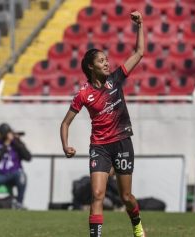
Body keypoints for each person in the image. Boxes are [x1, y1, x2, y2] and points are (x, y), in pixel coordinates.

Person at [60, 11, 145, 237]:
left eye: (107, 59)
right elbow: (66, 123)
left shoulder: (116, 79)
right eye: (101, 60)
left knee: (126, 197)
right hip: (100, 147)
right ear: (90, 67)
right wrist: (65, 145)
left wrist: (140, 26)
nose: (107, 62)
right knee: (97, 194)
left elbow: (139, 52)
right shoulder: (83, 94)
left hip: (122, 143)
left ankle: (136, 224)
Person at [0, 123, 31, 209]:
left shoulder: (16, 143)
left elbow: (28, 157)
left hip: (13, 173)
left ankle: (19, 204)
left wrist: (17, 142)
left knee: (22, 176)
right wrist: (6, 144)